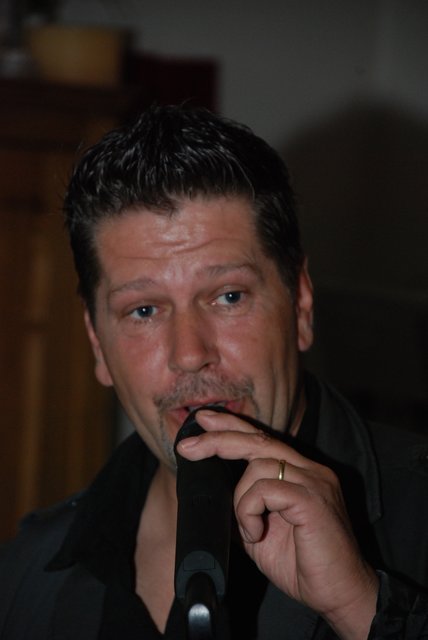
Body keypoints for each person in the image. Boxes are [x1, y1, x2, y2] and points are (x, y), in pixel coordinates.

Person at [1, 104, 427, 640]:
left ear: (300, 305)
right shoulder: (23, 576)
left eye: (228, 296)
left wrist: (362, 609)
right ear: (97, 343)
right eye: (144, 310)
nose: (189, 353)